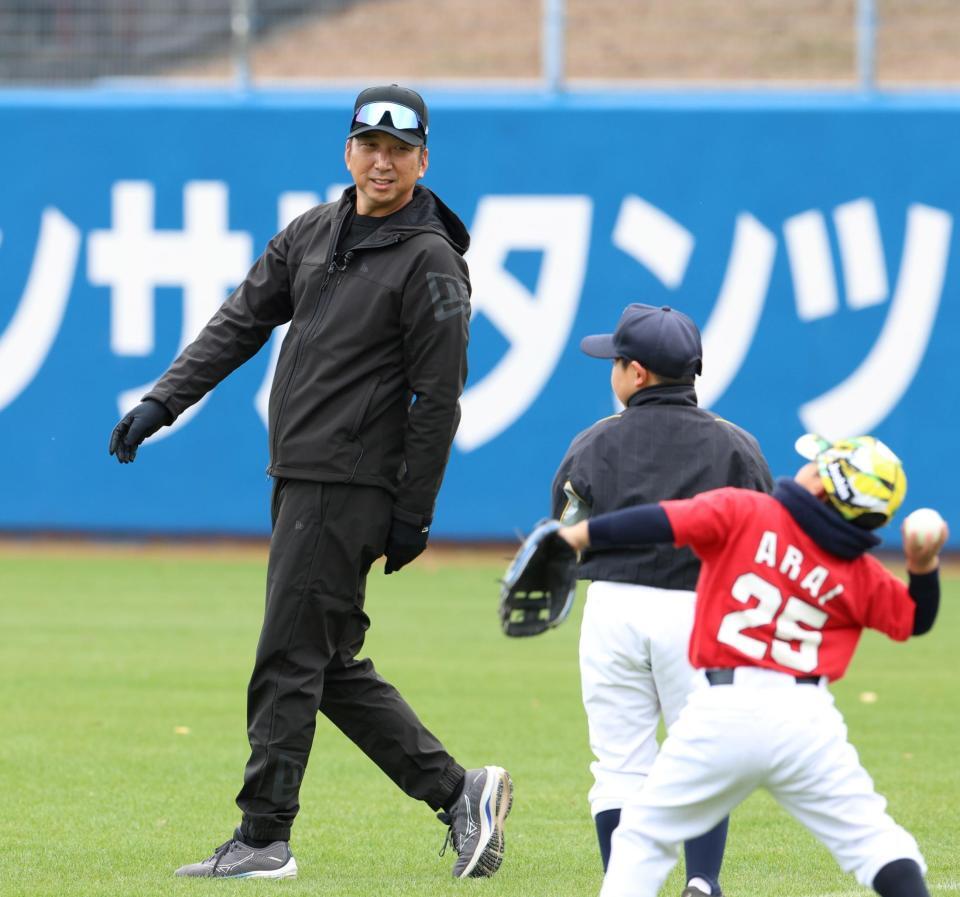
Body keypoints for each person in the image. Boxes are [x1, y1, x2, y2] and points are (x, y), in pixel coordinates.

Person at [108, 84, 512, 881]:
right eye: (369, 143)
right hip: (303, 475)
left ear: (424, 160)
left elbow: (439, 399)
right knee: (321, 663)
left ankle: (264, 835)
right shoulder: (315, 232)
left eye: (400, 149)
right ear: (348, 150)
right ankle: (460, 790)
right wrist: (163, 399)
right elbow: (239, 321)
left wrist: (414, 512)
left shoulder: (430, 259)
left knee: (287, 658)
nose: (382, 159)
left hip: (348, 483)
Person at [557, 434, 945, 897]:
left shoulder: (747, 511)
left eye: (817, 463)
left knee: (642, 837)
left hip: (723, 709)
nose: (805, 467)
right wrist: (923, 567)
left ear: (822, 486)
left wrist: (579, 535)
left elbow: (660, 521)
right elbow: (915, 620)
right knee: (876, 843)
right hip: (808, 722)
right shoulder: (859, 572)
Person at [551, 303, 772, 897]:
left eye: (616, 361)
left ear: (638, 373)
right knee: (704, 756)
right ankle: (701, 881)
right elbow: (763, 545)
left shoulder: (594, 443)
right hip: (700, 613)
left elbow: (564, 531)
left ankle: (624, 886)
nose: (612, 371)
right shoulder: (737, 448)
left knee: (619, 764)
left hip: (614, 611)